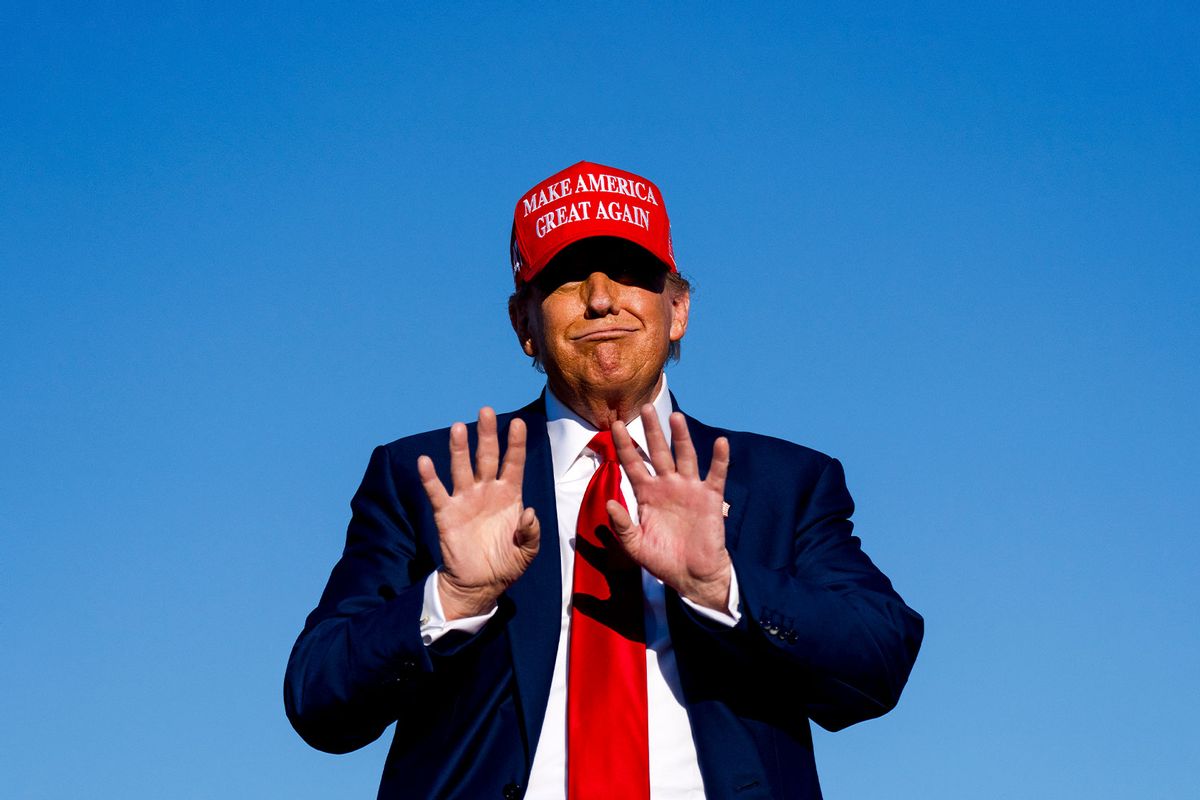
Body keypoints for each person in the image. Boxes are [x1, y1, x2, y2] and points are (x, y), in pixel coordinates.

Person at [285, 161, 923, 799]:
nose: (600, 297)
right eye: (567, 277)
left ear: (677, 309)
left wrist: (722, 586)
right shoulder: (431, 479)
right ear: (523, 325)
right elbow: (319, 700)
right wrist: (452, 599)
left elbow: (880, 658)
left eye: (628, 272)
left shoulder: (788, 483)